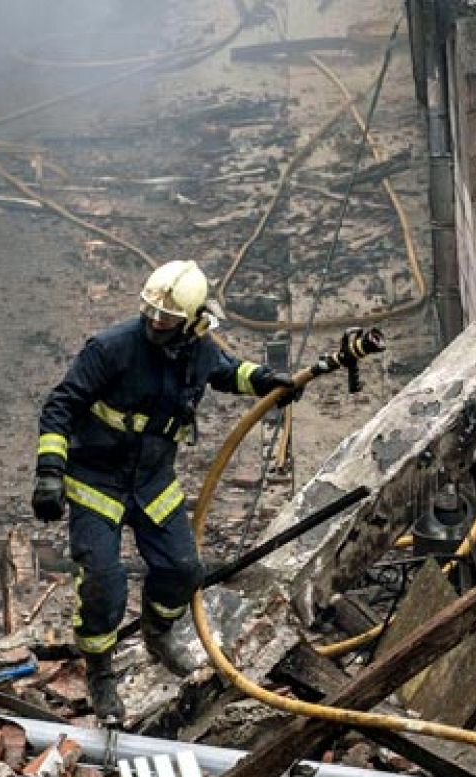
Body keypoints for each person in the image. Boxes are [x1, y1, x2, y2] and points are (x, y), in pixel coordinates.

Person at [30, 259, 299, 721]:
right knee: (102, 580)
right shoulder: (111, 348)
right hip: (98, 480)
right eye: (151, 313)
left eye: (168, 318)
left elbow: (225, 370)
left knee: (182, 567)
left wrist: (263, 381)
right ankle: (100, 671)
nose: (156, 323)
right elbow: (60, 405)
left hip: (152, 480)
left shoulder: (197, 348)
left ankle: (159, 633)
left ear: (193, 322)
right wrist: (50, 472)